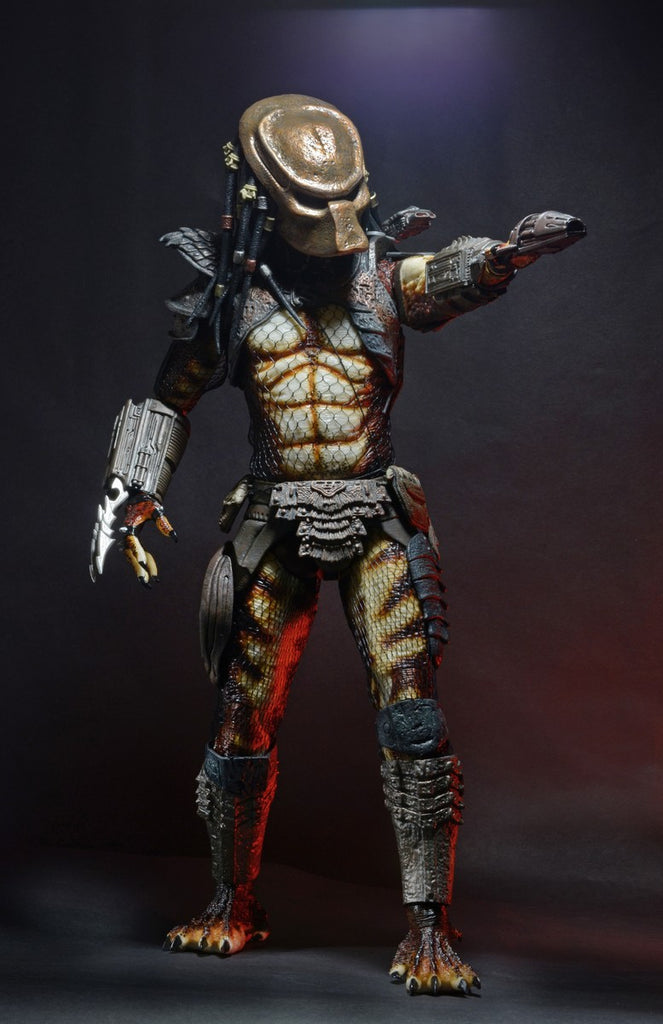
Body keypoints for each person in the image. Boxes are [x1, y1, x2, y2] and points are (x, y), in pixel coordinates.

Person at [90, 94, 585, 996]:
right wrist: (134, 488)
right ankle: (231, 902)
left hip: (377, 518)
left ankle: (429, 927)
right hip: (271, 520)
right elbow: (170, 396)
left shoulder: (379, 282)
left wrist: (507, 252)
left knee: (413, 720)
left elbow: (443, 275)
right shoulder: (230, 303)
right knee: (240, 720)